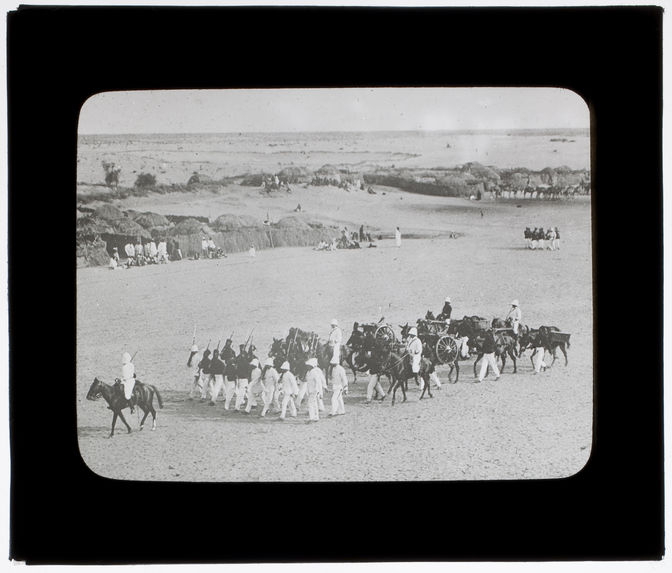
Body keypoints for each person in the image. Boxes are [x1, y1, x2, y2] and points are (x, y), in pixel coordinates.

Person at [305, 357, 326, 423]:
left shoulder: (314, 372)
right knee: (314, 404)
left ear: (311, 366)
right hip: (311, 390)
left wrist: (319, 392)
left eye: (308, 365)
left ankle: (312, 418)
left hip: (314, 390)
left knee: (311, 404)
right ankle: (316, 417)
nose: (307, 367)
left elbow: (318, 382)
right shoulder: (309, 372)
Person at [235, 345, 250, 410]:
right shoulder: (240, 358)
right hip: (242, 378)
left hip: (243, 378)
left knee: (242, 394)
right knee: (244, 393)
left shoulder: (242, 359)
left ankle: (237, 407)